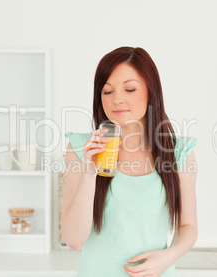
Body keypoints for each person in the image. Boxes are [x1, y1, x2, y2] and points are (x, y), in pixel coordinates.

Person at [62, 46, 198, 277]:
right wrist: (90, 172)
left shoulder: (178, 152)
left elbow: (189, 227)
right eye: (107, 91)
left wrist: (167, 257)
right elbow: (74, 240)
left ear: (151, 91)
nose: (117, 100)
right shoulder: (80, 148)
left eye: (130, 89)